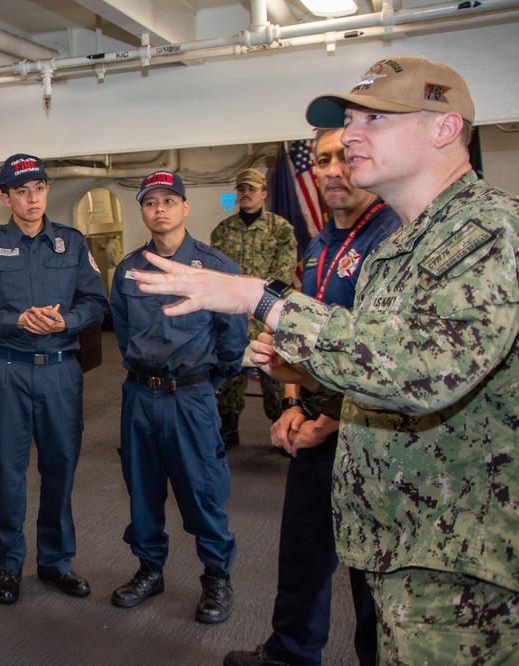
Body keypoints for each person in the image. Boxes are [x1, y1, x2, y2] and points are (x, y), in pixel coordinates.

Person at [131, 57, 519, 664]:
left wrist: (257, 296)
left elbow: (422, 370)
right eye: (350, 119)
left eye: (375, 118)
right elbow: (375, 365)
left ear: (444, 129)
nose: (352, 136)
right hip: (403, 534)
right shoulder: (404, 246)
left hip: (460, 562)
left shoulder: (488, 231)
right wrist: (302, 385)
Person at [224, 128, 399, 666]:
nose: (333, 170)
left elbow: (392, 363)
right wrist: (298, 400)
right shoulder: (322, 244)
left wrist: (335, 420)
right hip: (317, 430)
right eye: (323, 158)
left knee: (373, 574)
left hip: (373, 443)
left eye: (346, 157)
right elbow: (310, 343)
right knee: (302, 558)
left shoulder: (393, 238)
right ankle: (290, 655)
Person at [0, 154, 107, 605]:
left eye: (39, 188)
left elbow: (96, 303)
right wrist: (16, 319)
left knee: (60, 468)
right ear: (6, 197)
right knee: (8, 474)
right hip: (9, 372)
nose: (32, 198)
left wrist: (67, 323)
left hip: (62, 371)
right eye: (21, 191)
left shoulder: (72, 244)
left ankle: (56, 561)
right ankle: (8, 565)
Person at [109, 171, 248, 624]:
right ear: (144, 211)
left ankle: (216, 577)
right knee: (142, 490)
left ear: (186, 207)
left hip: (190, 397)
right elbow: (123, 331)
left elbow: (232, 342)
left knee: (202, 491)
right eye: (151, 202)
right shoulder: (130, 270)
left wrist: (207, 385)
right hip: (139, 397)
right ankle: (150, 569)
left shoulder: (216, 267)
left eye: (170, 200)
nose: (160, 209)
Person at [210, 168, 297, 447]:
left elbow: (283, 275)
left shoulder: (280, 229)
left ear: (263, 193)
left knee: (274, 372)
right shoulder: (223, 231)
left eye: (251, 189)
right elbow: (218, 274)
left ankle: (279, 425)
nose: (245, 193)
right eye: (241, 189)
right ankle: (230, 426)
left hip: (267, 315)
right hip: (234, 314)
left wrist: (258, 302)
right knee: (231, 369)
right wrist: (237, 301)